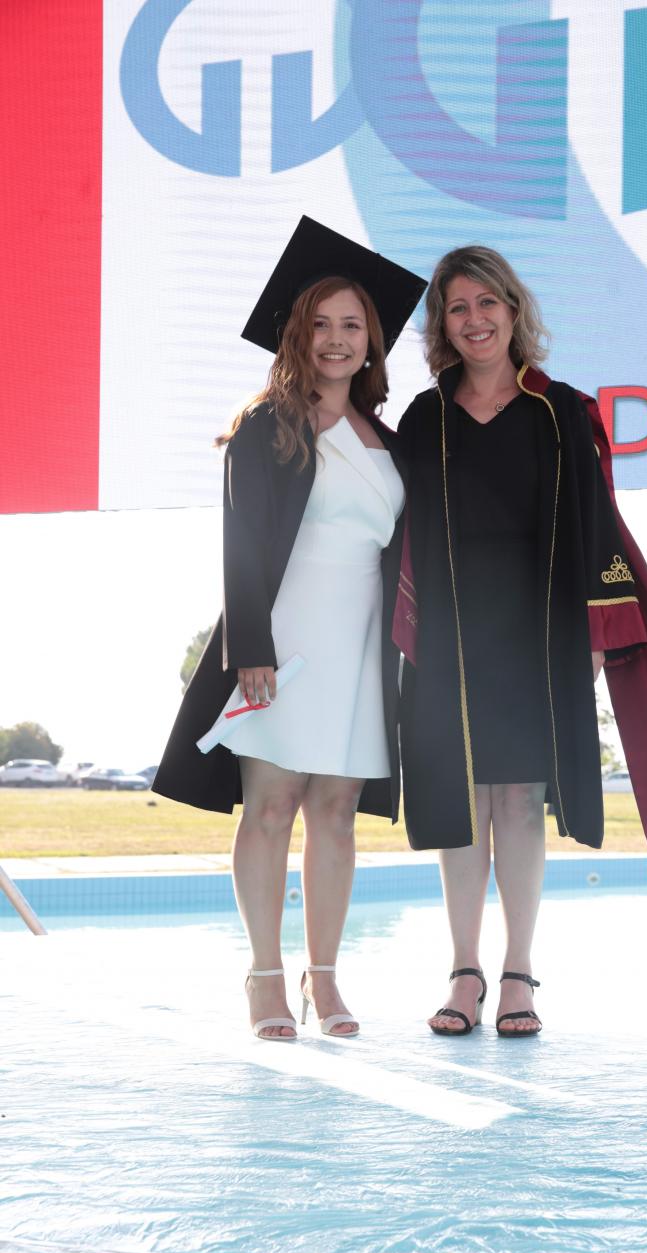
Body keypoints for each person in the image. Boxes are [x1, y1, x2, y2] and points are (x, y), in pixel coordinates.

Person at [392, 246, 647, 1038]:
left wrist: (593, 638)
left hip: (539, 631)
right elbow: (397, 529)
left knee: (521, 798)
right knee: (463, 801)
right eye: (458, 307)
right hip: (452, 632)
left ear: (514, 309)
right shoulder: (425, 417)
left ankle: (517, 972)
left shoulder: (562, 412)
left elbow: (596, 525)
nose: (475, 320)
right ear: (442, 325)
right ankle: (463, 971)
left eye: (488, 303)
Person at [154, 218, 425, 1040]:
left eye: (353, 325)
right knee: (271, 805)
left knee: (336, 811)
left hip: (362, 647)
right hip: (281, 640)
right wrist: (252, 649)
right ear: (296, 334)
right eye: (321, 324)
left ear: (372, 341)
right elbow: (239, 542)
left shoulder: (390, 440)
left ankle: (325, 978)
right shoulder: (266, 426)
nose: (337, 339)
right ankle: (265, 975)